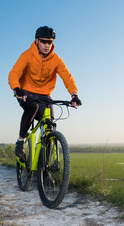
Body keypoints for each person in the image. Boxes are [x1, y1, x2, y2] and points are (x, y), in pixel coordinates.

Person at [8, 26, 82, 160]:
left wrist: (74, 95)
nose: (47, 45)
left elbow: (67, 77)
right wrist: (16, 88)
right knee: (32, 108)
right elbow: (14, 73)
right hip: (25, 91)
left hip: (44, 95)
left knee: (49, 128)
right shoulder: (27, 55)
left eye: (50, 42)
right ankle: (21, 141)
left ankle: (45, 170)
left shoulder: (56, 60)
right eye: (43, 41)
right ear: (36, 41)